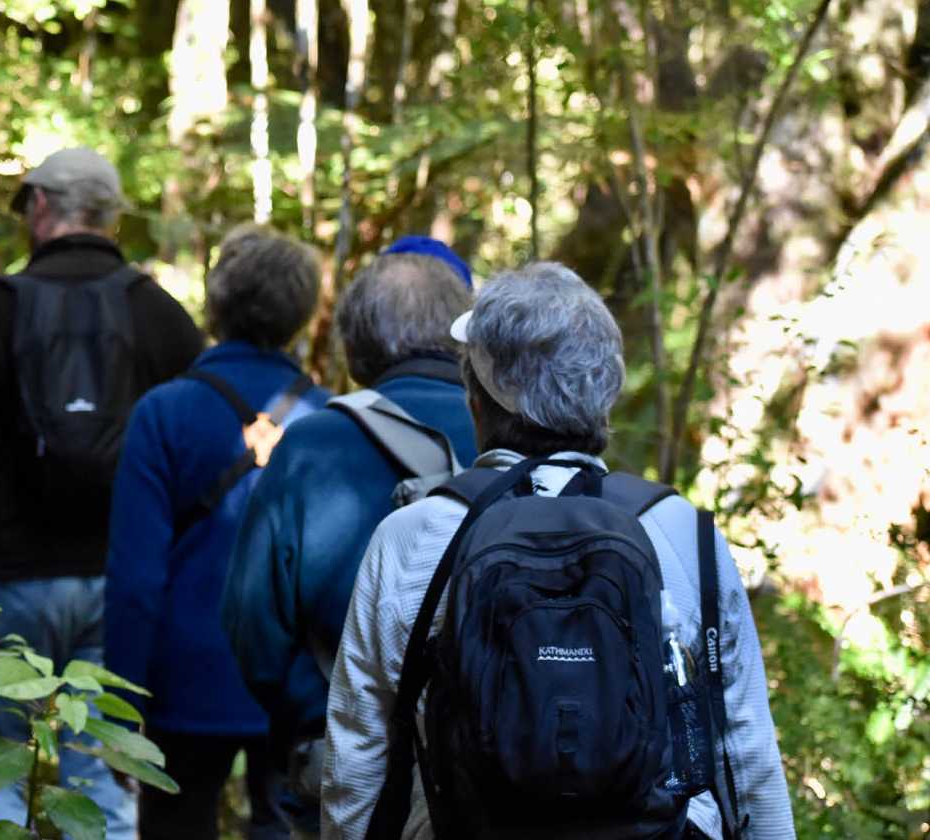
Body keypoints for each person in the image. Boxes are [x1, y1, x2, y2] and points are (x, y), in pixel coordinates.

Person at [319, 262, 793, 839]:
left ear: (477, 401)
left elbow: (358, 759)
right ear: (603, 397)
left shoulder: (411, 537)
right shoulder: (681, 532)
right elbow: (743, 750)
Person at [0, 147, 205, 839]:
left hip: (8, 579)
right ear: (111, 217)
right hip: (120, 583)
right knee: (100, 773)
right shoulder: (158, 313)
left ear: (42, 206)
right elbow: (200, 454)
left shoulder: (0, 308)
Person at [220, 249, 478, 837]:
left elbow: (250, 625)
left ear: (357, 345)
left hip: (346, 774)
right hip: (495, 766)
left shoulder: (311, 445)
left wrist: (317, 717)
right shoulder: (515, 428)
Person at [104, 226, 327, 840]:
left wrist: (119, 713)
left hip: (184, 685)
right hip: (294, 686)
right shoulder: (330, 419)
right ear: (303, 313)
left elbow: (135, 580)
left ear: (216, 303)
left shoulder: (163, 413)